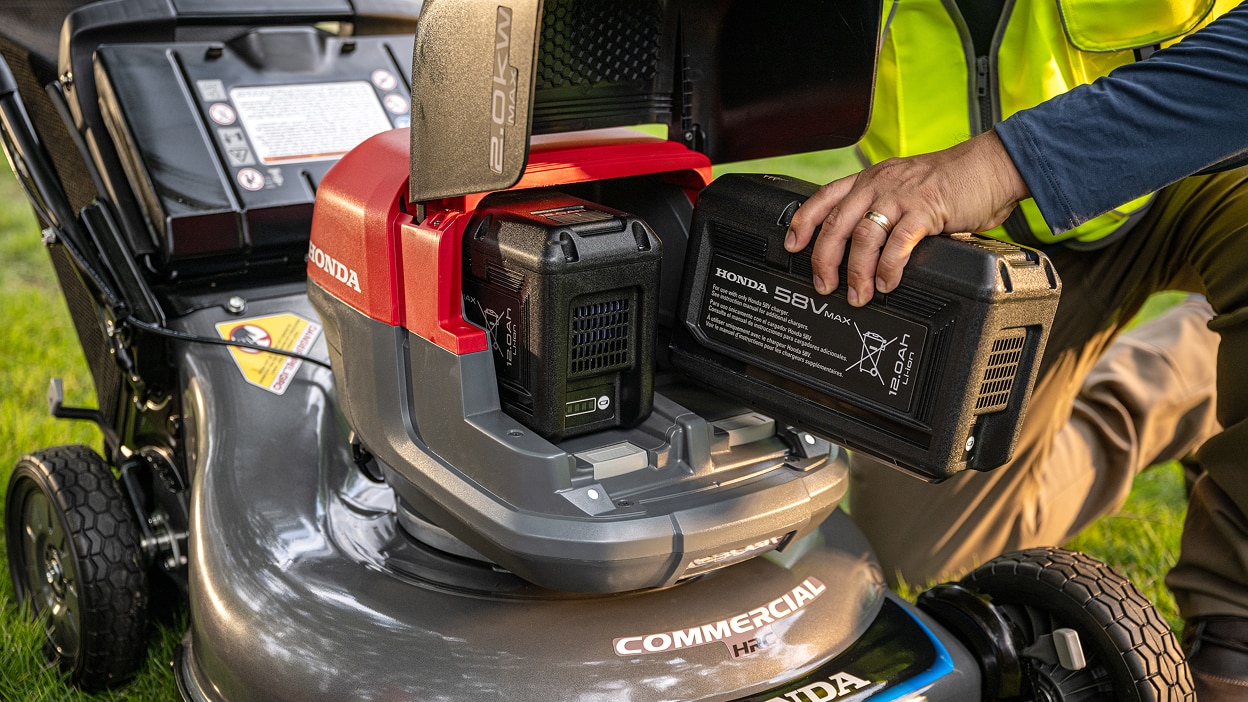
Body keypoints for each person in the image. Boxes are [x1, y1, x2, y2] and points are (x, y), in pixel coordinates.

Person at [786, 3, 1248, 699]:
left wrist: (1007, 161)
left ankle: (1235, 630)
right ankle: (1188, 377)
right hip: (980, 245)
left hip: (1203, 158)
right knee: (928, 559)